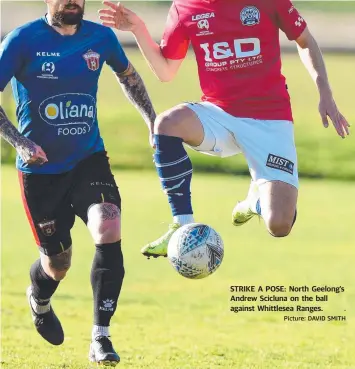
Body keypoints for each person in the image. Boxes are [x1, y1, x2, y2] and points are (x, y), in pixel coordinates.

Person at [99, 0, 350, 259]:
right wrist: (139, 28)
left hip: (271, 119)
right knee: (167, 124)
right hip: (218, 115)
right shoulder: (184, 7)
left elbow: (306, 40)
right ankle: (182, 224)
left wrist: (325, 93)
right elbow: (166, 71)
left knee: (279, 225)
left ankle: (255, 201)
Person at [0, 0, 156, 365]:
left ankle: (100, 337)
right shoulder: (22, 40)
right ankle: (39, 300)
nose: (73, 1)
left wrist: (152, 119)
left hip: (89, 159)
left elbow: (128, 75)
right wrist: (20, 143)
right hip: (41, 172)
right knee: (58, 263)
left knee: (108, 224)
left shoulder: (101, 38)